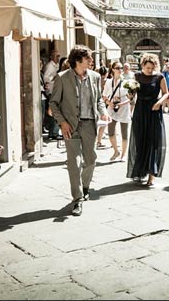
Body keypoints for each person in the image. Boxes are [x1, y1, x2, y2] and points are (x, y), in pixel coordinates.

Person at [49, 45, 109, 216]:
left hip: (89, 124)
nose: (91, 61)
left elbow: (98, 100)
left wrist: (103, 113)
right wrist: (62, 123)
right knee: (74, 164)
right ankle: (77, 199)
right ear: (78, 60)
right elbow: (53, 103)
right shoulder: (62, 78)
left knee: (90, 160)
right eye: (88, 58)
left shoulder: (95, 77)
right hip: (70, 126)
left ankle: (85, 186)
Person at [127, 53, 169, 186]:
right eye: (148, 68)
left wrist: (159, 103)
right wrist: (130, 95)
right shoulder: (137, 76)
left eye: (152, 68)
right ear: (143, 65)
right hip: (140, 111)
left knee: (152, 141)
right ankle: (140, 171)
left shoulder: (159, 77)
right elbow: (132, 94)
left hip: (154, 111)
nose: (150, 70)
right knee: (140, 140)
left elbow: (166, 93)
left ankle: (152, 175)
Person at [103, 62, 131, 161]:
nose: (120, 69)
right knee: (110, 132)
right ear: (113, 69)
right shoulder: (108, 82)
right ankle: (116, 151)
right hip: (112, 108)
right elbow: (104, 95)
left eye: (121, 67)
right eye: (118, 68)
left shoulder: (126, 82)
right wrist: (109, 102)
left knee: (124, 133)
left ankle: (123, 155)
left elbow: (131, 98)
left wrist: (121, 104)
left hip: (123, 108)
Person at [43, 50, 62, 139]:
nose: (58, 58)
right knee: (54, 112)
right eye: (57, 56)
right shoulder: (50, 66)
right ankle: (54, 132)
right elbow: (46, 78)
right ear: (52, 57)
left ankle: (54, 131)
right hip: (51, 91)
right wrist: (55, 77)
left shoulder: (56, 66)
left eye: (59, 56)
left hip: (54, 91)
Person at [96, 66, 109, 149]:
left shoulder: (97, 80)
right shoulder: (107, 81)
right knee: (103, 124)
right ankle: (99, 141)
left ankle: (97, 140)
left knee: (98, 123)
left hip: (97, 103)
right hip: (104, 103)